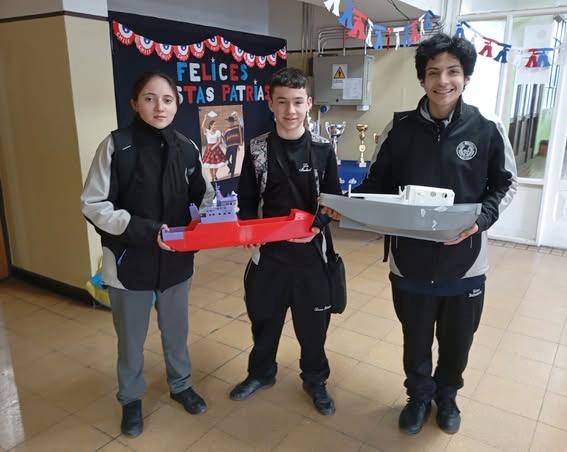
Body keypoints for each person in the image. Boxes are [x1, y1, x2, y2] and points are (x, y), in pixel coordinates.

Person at [352, 34, 518, 435]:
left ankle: (447, 396)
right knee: (415, 337)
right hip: (410, 261)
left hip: (466, 261)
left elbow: (505, 183)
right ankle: (418, 395)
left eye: (452, 72)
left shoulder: (487, 127)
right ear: (422, 79)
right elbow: (377, 182)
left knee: (458, 340)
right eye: (433, 73)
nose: (443, 81)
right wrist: (349, 205)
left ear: (466, 77)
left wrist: (481, 220)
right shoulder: (400, 127)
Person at [81, 71, 214, 437]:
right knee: (131, 340)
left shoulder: (187, 148)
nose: (159, 107)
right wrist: (146, 231)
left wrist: (207, 221)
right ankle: (131, 398)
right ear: (134, 104)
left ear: (177, 105)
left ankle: (181, 385)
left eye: (167, 99)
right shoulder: (116, 146)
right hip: (129, 263)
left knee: (176, 331)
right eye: (150, 99)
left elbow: (204, 196)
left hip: (176, 260)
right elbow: (93, 204)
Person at [230, 67, 341, 416]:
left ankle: (315, 380)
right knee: (264, 321)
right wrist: (249, 231)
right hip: (270, 257)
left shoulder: (322, 149)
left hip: (312, 256)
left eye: (297, 102)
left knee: (313, 328)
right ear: (270, 103)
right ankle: (261, 373)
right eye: (282, 102)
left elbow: (334, 202)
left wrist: (317, 226)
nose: (290, 110)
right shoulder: (257, 149)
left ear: (309, 103)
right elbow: (247, 197)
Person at [201, 115, 227, 182]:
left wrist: (214, 146)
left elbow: (219, 141)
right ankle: (212, 177)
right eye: (214, 124)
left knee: (217, 164)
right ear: (211, 125)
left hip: (216, 148)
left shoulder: (218, 132)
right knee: (210, 165)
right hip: (209, 149)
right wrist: (205, 118)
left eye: (216, 124)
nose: (215, 126)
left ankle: (215, 174)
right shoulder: (207, 131)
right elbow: (202, 126)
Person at [223, 112, 243, 178]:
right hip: (228, 147)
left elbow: (241, 126)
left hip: (234, 146)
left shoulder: (237, 127)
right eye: (229, 122)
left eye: (231, 121)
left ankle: (232, 173)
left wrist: (237, 116)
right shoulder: (227, 129)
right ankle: (231, 168)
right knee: (225, 159)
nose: (230, 123)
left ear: (233, 122)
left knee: (234, 159)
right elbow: (224, 137)